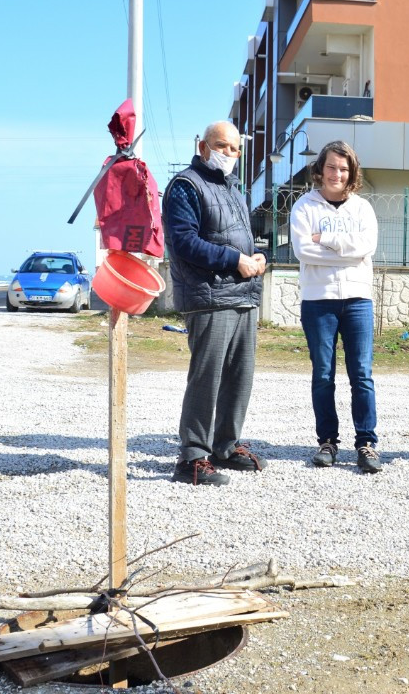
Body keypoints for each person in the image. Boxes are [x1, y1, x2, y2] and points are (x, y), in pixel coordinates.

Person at [161, 121, 268, 486]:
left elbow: (239, 239)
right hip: (208, 296)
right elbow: (184, 242)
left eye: (235, 148)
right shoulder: (186, 185)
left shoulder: (234, 188)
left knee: (240, 376)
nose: (229, 153)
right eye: (222, 145)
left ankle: (225, 445)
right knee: (207, 378)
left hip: (242, 294)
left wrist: (258, 256)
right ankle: (192, 457)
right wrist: (234, 260)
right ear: (203, 146)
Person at [289, 141, 382, 474]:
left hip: (358, 300)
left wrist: (324, 239)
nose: (336, 174)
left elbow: (366, 247)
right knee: (323, 374)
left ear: (351, 173)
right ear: (320, 169)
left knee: (362, 375)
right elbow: (303, 251)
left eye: (344, 168)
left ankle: (366, 443)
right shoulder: (304, 207)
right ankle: (327, 442)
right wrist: (347, 251)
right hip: (318, 301)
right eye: (331, 167)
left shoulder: (362, 209)